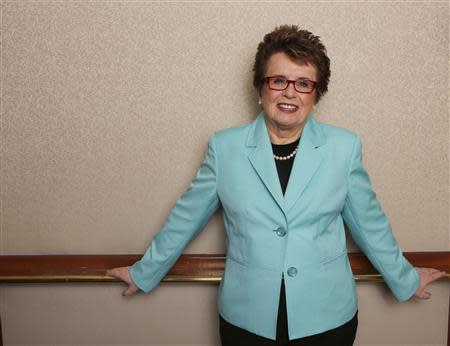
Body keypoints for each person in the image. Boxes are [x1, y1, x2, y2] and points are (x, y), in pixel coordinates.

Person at [107, 25, 446, 346]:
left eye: (303, 83)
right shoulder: (225, 149)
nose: (290, 92)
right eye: (279, 80)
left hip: (327, 318)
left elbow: (370, 224)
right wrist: (143, 273)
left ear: (316, 94)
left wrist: (406, 279)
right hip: (246, 319)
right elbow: (186, 217)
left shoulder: (343, 149)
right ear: (260, 87)